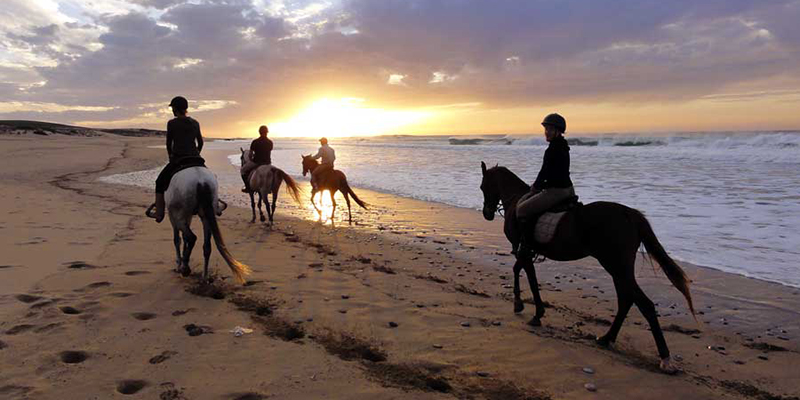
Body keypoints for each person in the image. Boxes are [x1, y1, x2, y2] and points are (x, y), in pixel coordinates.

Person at [516, 113, 575, 227]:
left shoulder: (553, 149)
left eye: (550, 129)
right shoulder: (563, 145)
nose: (547, 132)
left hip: (557, 190)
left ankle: (526, 243)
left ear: (558, 131)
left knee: (521, 210)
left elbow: (545, 172)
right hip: (569, 188)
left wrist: (537, 187)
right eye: (546, 129)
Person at [152, 96, 205, 223]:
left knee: (159, 182)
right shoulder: (195, 122)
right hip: (196, 159)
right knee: (209, 177)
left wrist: (171, 156)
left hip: (179, 159)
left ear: (175, 109)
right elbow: (201, 143)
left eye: (172, 108)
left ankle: (159, 213)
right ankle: (215, 204)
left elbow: (168, 143)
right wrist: (196, 153)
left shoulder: (172, 123)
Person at [241, 125, 273, 193]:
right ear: (267, 132)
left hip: (257, 162)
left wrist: (251, 158)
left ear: (259, 132)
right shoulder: (270, 142)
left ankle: (247, 187)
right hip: (268, 163)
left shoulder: (255, 142)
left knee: (243, 170)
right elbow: (268, 152)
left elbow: (250, 154)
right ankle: (271, 188)